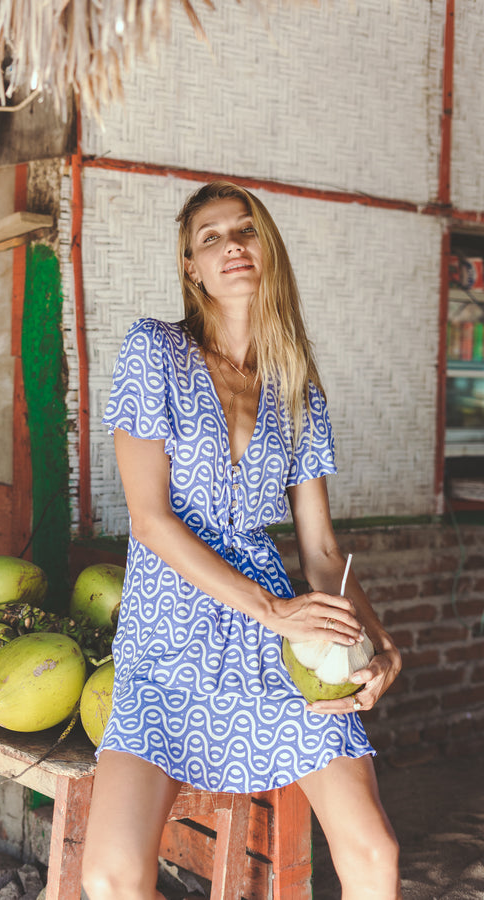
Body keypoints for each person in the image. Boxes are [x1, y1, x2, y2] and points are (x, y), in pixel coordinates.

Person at [81, 181, 402, 900]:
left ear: (268, 249)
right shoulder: (154, 350)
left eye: (246, 230)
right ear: (190, 266)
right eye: (210, 237)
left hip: (277, 645)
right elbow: (151, 521)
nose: (232, 245)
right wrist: (273, 609)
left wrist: (379, 644)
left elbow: (320, 551)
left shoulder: (299, 390)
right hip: (167, 633)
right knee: (109, 878)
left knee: (375, 854)